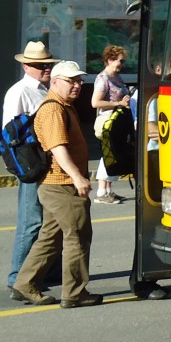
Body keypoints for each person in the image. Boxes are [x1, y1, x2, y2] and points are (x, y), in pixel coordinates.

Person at [12, 61, 103, 309]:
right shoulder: (53, 109)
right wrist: (77, 177)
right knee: (78, 237)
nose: (77, 85)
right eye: (71, 81)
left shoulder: (64, 106)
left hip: (55, 185)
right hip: (61, 185)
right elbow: (57, 148)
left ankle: (25, 283)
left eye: (79, 81)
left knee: (50, 238)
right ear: (55, 82)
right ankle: (74, 292)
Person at [5, 40, 59, 301]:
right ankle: (17, 277)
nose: (46, 69)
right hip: (31, 162)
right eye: (40, 65)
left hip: (43, 160)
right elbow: (10, 133)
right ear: (27, 67)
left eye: (48, 64)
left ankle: (44, 271)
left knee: (48, 219)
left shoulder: (42, 89)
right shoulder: (20, 92)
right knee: (31, 222)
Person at [91, 44, 131, 203]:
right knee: (108, 154)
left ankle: (108, 190)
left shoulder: (117, 77)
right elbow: (95, 102)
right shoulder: (103, 78)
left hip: (117, 121)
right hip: (107, 121)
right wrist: (118, 104)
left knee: (114, 153)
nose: (122, 64)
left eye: (123, 61)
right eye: (119, 61)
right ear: (110, 60)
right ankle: (101, 192)